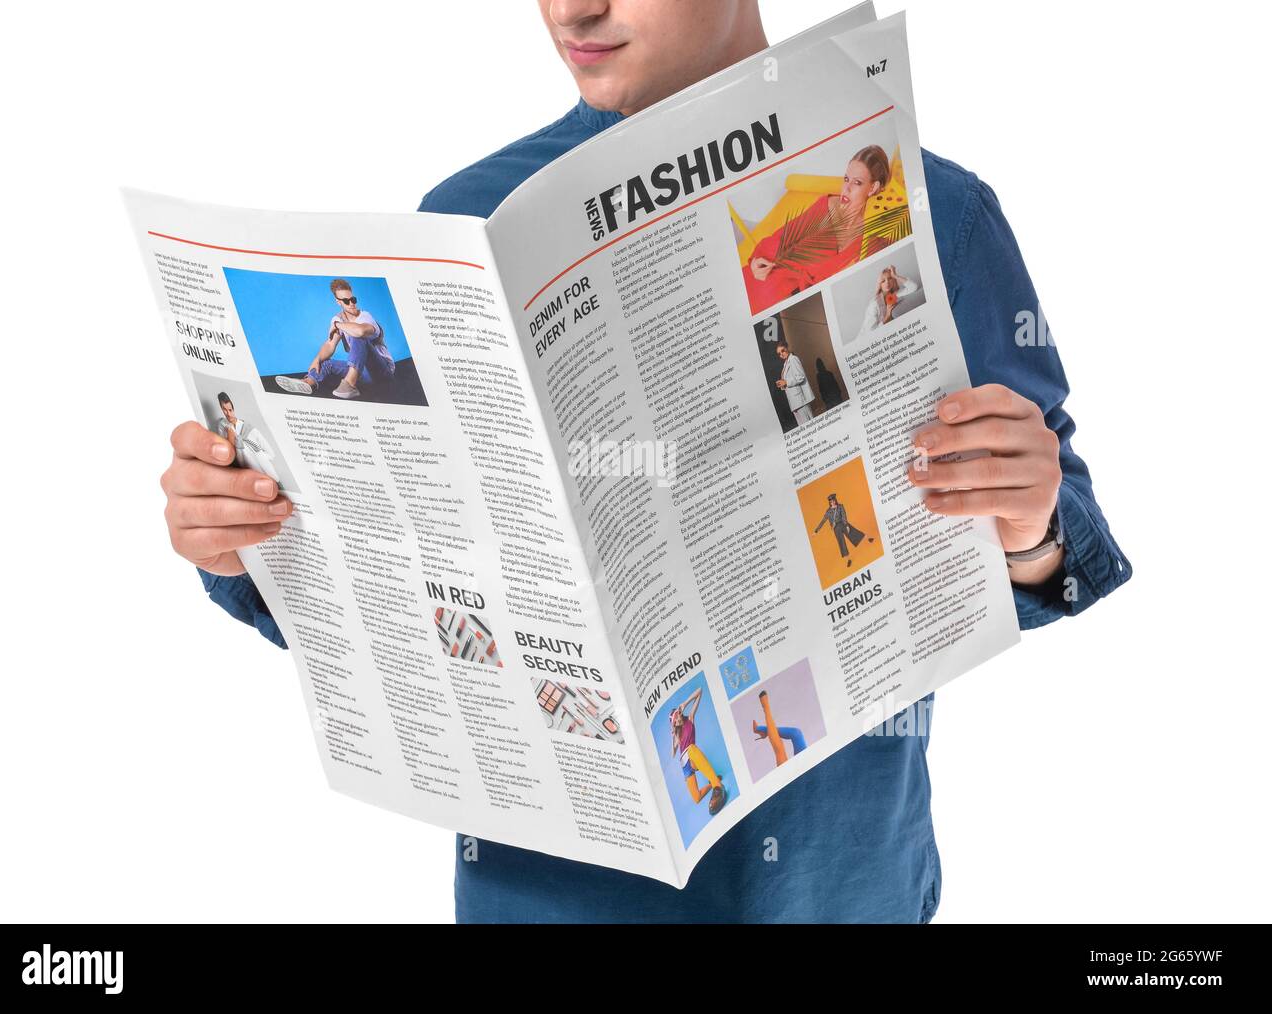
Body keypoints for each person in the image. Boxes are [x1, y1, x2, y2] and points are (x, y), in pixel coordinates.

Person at [159, 0, 1133, 923]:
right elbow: (414, 603)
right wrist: (243, 546)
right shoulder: (465, 224)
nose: (569, 11)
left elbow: (1059, 543)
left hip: (842, 885)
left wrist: (1029, 527)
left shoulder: (934, 209)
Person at [743, 144, 892, 316]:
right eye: (846, 179)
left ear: (873, 188)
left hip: (803, 308)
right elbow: (781, 237)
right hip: (768, 284)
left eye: (857, 182)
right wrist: (755, 261)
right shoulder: (827, 205)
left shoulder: (872, 234)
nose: (846, 188)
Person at [274, 279, 394, 400]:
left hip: (382, 372)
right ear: (338, 302)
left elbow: (360, 331)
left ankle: (349, 385)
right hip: (362, 372)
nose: (351, 303)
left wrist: (338, 325)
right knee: (326, 364)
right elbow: (330, 345)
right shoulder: (338, 319)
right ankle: (307, 383)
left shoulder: (365, 316)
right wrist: (317, 359)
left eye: (353, 299)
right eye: (346, 301)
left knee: (357, 336)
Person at [669, 686, 727, 815]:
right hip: (685, 767)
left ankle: (717, 785)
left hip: (693, 756)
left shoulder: (690, 719)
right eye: (674, 722)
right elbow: (673, 754)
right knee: (696, 798)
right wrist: (672, 737)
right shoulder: (677, 735)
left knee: (691, 748)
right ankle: (712, 782)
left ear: (680, 713)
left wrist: (685, 703)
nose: (677, 720)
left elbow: (700, 690)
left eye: (677, 716)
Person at [213, 393, 280, 485]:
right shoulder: (223, 426)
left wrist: (262, 456)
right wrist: (230, 434)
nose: (228, 414)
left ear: (233, 409)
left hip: (264, 466)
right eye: (224, 410)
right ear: (221, 408)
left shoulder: (247, 427)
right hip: (245, 473)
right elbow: (228, 451)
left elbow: (270, 452)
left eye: (230, 410)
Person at [857, 265, 921, 340]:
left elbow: (914, 287)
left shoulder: (895, 294)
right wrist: (887, 315)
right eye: (883, 281)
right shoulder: (874, 304)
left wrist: (896, 275)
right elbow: (871, 333)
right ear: (880, 285)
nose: (887, 282)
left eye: (890, 278)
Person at [813, 492, 872, 567]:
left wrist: (847, 525)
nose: (832, 502)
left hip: (843, 524)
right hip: (836, 528)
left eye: (833, 501)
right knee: (842, 544)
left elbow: (844, 516)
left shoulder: (840, 506)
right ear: (829, 502)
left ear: (835, 500)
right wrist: (816, 531)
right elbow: (823, 521)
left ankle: (868, 538)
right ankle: (848, 560)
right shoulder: (828, 511)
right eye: (831, 502)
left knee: (854, 532)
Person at [774, 342, 815, 427]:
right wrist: (783, 384)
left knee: (809, 425)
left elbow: (800, 376)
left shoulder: (793, 359)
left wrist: (786, 382)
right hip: (794, 402)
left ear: (787, 348)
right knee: (804, 428)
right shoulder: (785, 363)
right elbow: (789, 380)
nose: (781, 354)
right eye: (779, 353)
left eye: (783, 350)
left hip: (800, 401)